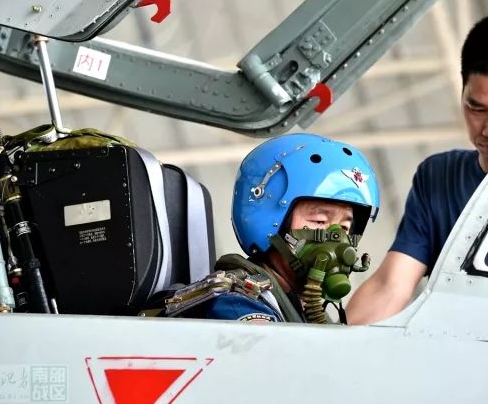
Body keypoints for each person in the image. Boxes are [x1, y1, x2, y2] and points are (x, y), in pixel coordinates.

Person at [346, 13, 488, 325]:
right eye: (477, 108)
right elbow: (391, 285)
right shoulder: (439, 177)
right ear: (462, 92)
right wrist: (332, 343)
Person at [146, 133, 380, 323]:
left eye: (345, 227)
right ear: (271, 221)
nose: (337, 239)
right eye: (319, 221)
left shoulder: (306, 312)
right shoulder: (239, 306)